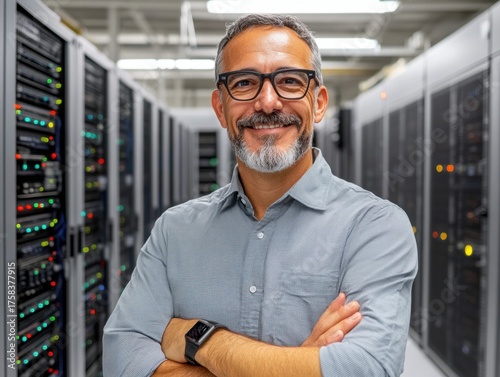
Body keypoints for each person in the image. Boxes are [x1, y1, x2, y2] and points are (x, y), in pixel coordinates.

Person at [103, 13, 418, 377]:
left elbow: (368, 368)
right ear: (221, 108)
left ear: (318, 103)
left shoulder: (374, 227)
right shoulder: (174, 231)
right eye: (244, 82)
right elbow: (122, 358)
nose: (268, 102)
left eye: (289, 81)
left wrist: (201, 341)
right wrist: (299, 364)